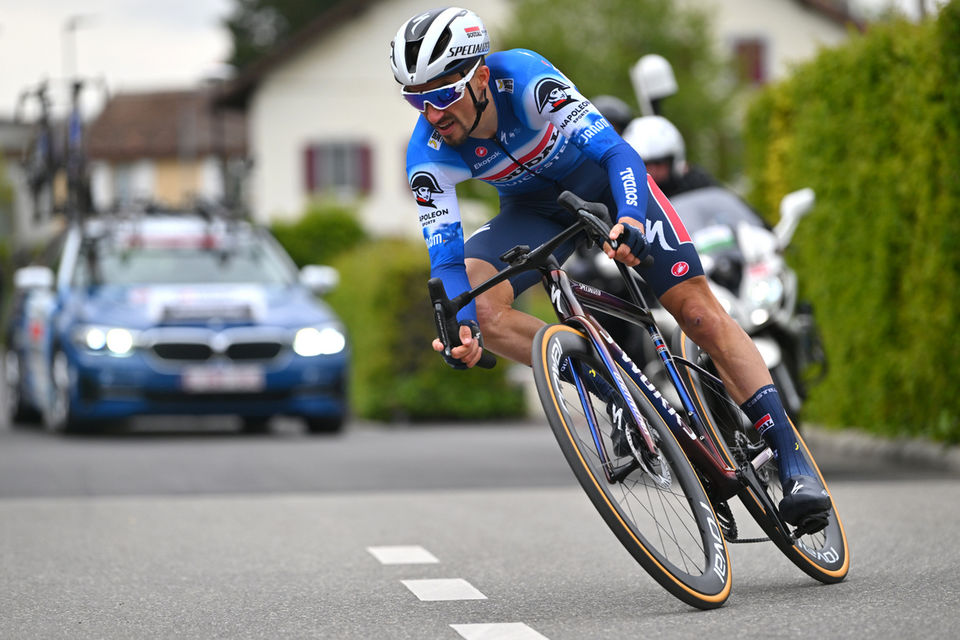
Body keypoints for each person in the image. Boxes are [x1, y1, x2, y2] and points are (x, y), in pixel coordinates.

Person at [390, 6, 830, 526]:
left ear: (481, 77)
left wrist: (631, 221)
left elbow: (620, 156)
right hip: (532, 215)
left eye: (441, 95)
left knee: (700, 315)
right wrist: (459, 326)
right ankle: (618, 393)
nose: (431, 113)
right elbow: (444, 254)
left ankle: (791, 456)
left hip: (606, 185)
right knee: (479, 307)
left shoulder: (527, 81)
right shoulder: (427, 152)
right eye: (416, 99)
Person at [621, 115, 716, 198]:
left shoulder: (698, 185)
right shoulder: (624, 198)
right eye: (645, 164)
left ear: (673, 161)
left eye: (659, 163)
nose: (653, 171)